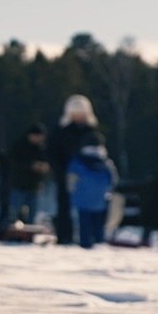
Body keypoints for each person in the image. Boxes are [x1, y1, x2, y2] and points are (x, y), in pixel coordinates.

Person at [48, 95, 105, 245]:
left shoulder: (92, 132)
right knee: (64, 206)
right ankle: (64, 236)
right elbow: (52, 152)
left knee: (88, 209)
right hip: (65, 175)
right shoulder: (60, 131)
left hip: (87, 179)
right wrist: (61, 171)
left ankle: (90, 237)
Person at [66, 143, 119, 249]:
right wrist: (108, 191)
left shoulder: (78, 161)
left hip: (82, 198)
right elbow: (113, 180)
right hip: (100, 199)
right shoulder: (106, 162)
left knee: (84, 223)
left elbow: (71, 180)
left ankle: (85, 242)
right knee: (98, 224)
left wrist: (72, 192)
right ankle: (99, 242)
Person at [5, 123, 50, 225]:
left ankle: (29, 234)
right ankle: (11, 233)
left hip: (34, 186)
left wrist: (44, 167)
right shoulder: (20, 146)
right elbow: (13, 162)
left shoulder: (42, 148)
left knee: (33, 213)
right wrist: (31, 166)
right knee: (14, 212)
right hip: (19, 184)